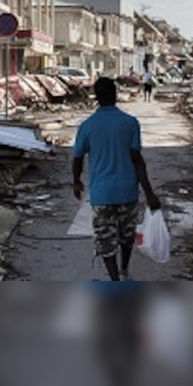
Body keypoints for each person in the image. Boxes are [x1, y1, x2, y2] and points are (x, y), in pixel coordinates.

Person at [72, 76, 161, 281]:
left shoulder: (87, 126)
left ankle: (115, 280)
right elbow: (137, 159)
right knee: (126, 236)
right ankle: (124, 268)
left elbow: (77, 157)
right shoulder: (130, 123)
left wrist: (76, 181)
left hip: (102, 194)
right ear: (115, 95)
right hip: (127, 191)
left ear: (96, 97)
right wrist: (149, 193)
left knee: (105, 240)